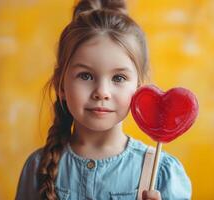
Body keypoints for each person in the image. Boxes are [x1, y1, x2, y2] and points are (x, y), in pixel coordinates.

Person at [15, 0, 191, 199]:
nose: (102, 92)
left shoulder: (161, 173)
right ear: (61, 85)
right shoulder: (38, 168)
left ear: (139, 90)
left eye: (118, 78)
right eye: (86, 76)